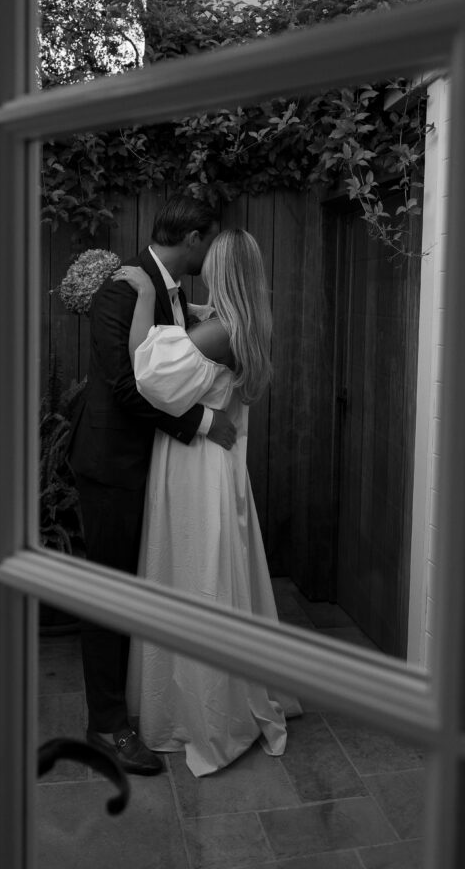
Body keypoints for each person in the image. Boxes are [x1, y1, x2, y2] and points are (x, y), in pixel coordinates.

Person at [113, 228, 302, 777]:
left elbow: (147, 372)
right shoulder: (243, 320)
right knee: (216, 567)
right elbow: (197, 329)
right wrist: (186, 309)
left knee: (196, 572)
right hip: (219, 464)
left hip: (196, 467)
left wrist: (146, 296)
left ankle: (205, 712)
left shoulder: (220, 331)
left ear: (223, 272)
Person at [68, 195, 238, 776]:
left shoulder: (169, 292)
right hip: (113, 466)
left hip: (150, 466)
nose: (210, 253)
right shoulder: (124, 288)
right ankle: (106, 726)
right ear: (192, 238)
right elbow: (125, 386)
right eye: (209, 241)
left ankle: (146, 702)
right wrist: (202, 422)